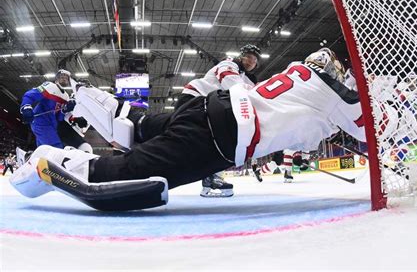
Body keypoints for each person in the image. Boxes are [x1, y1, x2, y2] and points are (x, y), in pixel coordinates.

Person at [10, 48, 368, 212]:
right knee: (129, 173)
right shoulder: (339, 93)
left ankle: (122, 113)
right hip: (224, 129)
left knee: (150, 130)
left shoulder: (296, 72)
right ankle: (49, 161)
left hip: (206, 110)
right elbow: (372, 130)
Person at [175, 43, 261, 197]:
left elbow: (253, 89)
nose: (250, 61)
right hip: (194, 98)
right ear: (241, 56)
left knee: (213, 140)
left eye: (254, 60)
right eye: (248, 57)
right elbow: (233, 85)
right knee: (212, 139)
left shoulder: (243, 76)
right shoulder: (229, 64)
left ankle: (212, 177)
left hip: (206, 105)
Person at [19, 69, 77, 148]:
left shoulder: (66, 96)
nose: (64, 78)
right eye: (62, 76)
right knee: (56, 148)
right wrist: (26, 107)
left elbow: (59, 117)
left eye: (67, 77)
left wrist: (65, 110)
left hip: (51, 126)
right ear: (56, 79)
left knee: (43, 151)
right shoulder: (50, 86)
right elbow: (31, 95)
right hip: (40, 122)